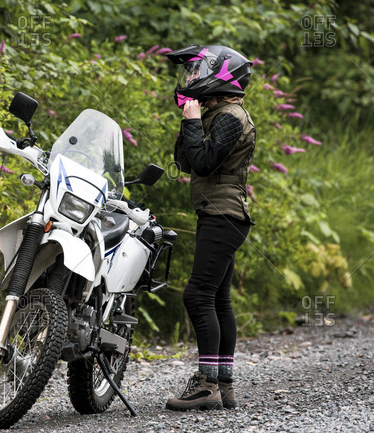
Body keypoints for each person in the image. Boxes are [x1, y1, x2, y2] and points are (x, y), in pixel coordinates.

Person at [164, 45, 256, 410]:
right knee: (218, 299)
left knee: (197, 295)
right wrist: (191, 118)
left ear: (221, 74)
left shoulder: (232, 116)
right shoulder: (220, 113)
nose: (190, 77)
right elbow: (185, 160)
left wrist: (191, 122)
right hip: (218, 214)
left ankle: (206, 385)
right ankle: (224, 383)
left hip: (224, 215)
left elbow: (202, 163)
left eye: (197, 71)